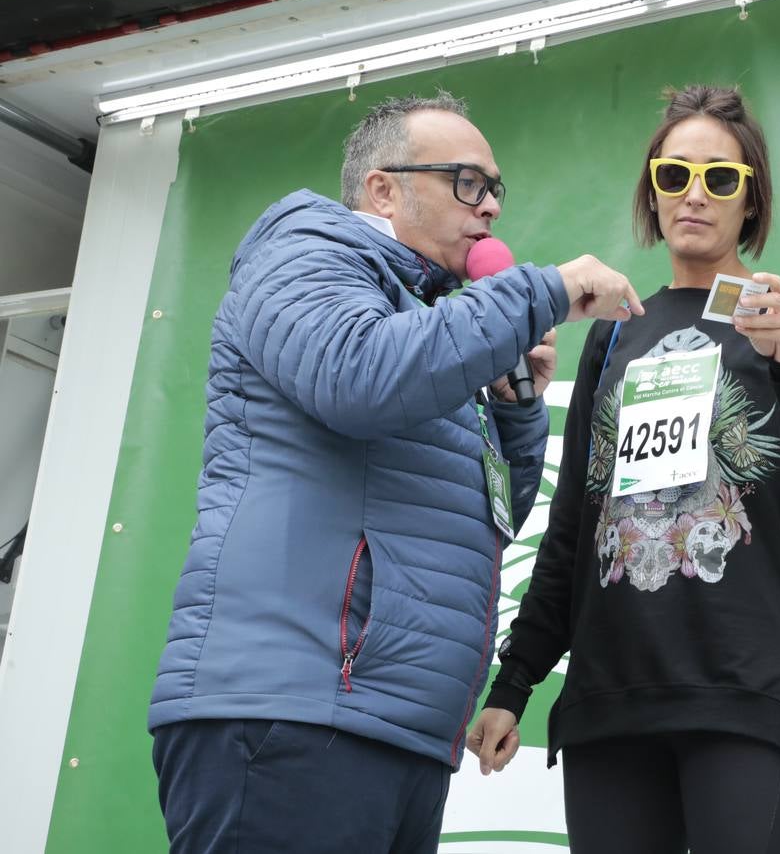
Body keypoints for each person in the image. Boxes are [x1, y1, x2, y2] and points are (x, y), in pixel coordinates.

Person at [146, 90, 643, 853]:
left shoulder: (432, 320)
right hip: (290, 711)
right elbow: (358, 379)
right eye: (468, 183)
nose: (490, 209)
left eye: (496, 190)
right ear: (382, 189)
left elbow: (497, 512)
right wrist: (541, 290)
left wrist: (515, 405)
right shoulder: (305, 251)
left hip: (396, 729)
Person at [469, 85, 780, 854]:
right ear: (652, 191)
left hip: (747, 696)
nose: (694, 194)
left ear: (750, 202)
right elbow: (576, 528)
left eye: (720, 178)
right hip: (611, 700)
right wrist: (515, 682)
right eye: (673, 174)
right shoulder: (613, 335)